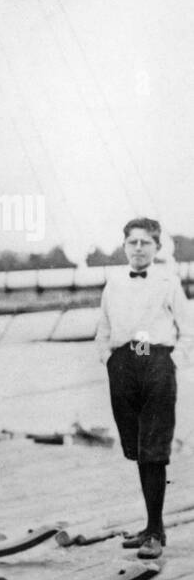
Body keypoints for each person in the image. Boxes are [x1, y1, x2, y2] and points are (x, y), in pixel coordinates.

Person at [95, 217, 193, 559]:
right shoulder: (114, 281)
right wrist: (108, 358)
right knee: (137, 444)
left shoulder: (168, 281)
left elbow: (189, 326)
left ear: (156, 247)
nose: (138, 248)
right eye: (133, 242)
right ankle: (153, 528)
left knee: (154, 447)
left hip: (156, 362)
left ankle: (154, 530)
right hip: (124, 364)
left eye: (145, 243)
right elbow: (104, 326)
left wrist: (173, 361)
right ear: (124, 246)